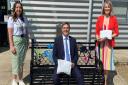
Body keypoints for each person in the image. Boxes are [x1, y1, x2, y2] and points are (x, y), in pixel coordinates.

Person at [95, 0, 119, 85]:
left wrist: (109, 36)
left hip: (108, 44)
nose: (107, 8)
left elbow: (116, 32)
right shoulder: (100, 18)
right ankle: (100, 78)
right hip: (101, 44)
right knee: (101, 62)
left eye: (108, 7)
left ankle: (105, 81)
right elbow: (97, 32)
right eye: (105, 7)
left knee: (107, 64)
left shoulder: (114, 18)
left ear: (110, 8)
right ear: (103, 8)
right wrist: (98, 38)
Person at [7, 1, 28, 85]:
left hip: (24, 41)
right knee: (15, 61)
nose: (18, 9)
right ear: (14, 9)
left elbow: (27, 32)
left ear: (22, 9)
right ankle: (14, 80)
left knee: (21, 62)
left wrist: (28, 41)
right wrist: (11, 45)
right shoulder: (11, 19)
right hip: (16, 41)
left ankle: (20, 79)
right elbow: (10, 33)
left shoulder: (24, 19)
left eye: (20, 7)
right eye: (17, 7)